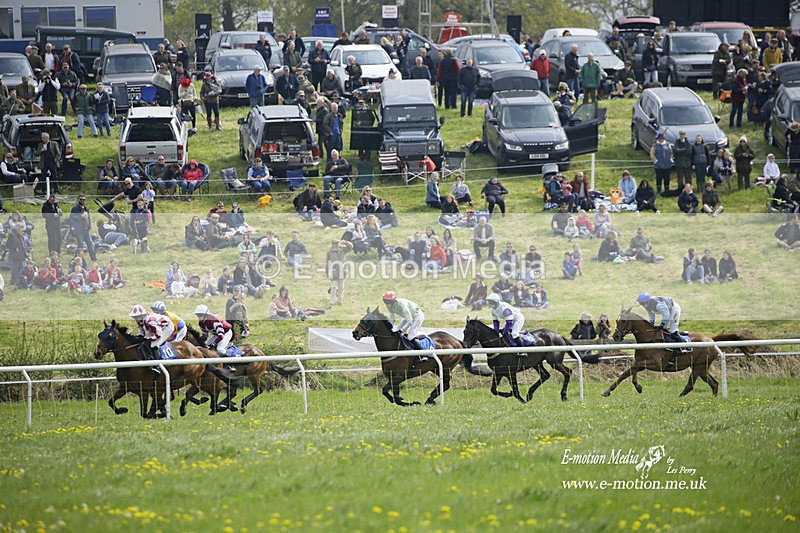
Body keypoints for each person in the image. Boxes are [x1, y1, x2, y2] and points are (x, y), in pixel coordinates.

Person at [636, 292, 688, 362]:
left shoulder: (658, 305)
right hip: (667, 311)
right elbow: (651, 317)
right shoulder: (647, 305)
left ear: (648, 301)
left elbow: (666, 315)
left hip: (674, 309)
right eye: (640, 303)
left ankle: (683, 347)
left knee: (672, 330)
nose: (642, 305)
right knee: (664, 330)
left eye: (642, 303)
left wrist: (661, 325)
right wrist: (651, 326)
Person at [69, 195, 96, 261]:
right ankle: (78, 259)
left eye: (84, 199)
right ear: (78, 200)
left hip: (86, 229)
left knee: (90, 244)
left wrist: (90, 226)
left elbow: (88, 217)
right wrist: (80, 217)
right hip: (79, 230)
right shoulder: (75, 208)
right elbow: (72, 217)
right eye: (81, 199)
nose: (82, 201)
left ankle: (93, 257)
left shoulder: (86, 208)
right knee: (80, 245)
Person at [326, 239, 352, 306]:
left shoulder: (342, 250)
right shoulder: (329, 252)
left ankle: (340, 300)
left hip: (342, 271)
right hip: (333, 272)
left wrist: (346, 242)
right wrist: (327, 273)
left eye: (337, 243)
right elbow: (327, 263)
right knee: (333, 287)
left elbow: (351, 247)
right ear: (332, 244)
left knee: (341, 287)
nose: (336, 245)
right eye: (335, 243)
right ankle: (332, 301)